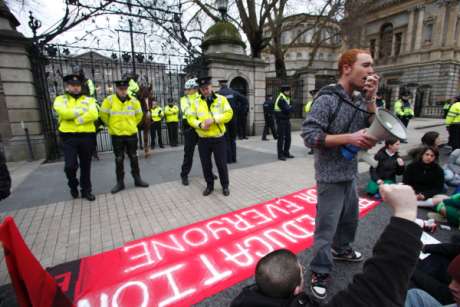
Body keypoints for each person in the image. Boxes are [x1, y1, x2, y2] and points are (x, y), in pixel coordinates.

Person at [231, 184, 424, 307]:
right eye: (301, 271)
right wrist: (406, 214)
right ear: (298, 290)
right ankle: (323, 269)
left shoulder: (241, 300)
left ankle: (342, 250)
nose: (302, 269)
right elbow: (375, 293)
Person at [301, 48, 379, 299]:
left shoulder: (359, 99)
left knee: (350, 218)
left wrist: (371, 98)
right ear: (347, 68)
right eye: (365, 65)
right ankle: (320, 270)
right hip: (329, 176)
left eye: (372, 66)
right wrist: (350, 138)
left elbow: (374, 126)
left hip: (349, 171)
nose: (371, 71)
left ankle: (342, 249)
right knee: (326, 226)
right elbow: (309, 136)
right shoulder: (326, 99)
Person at [53, 74, 98, 201]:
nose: (76, 88)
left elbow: (94, 114)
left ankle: (86, 191)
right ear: (67, 87)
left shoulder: (89, 100)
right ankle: (73, 185)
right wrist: (81, 111)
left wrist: (78, 119)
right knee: (70, 166)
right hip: (68, 137)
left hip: (86, 136)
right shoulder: (60, 99)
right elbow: (64, 113)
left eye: (78, 85)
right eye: (73, 85)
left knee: (86, 165)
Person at [100, 79, 149, 194]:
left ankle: (137, 179)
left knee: (134, 157)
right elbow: (103, 114)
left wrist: (132, 124)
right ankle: (120, 183)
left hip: (131, 133)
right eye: (120, 89)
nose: (123, 91)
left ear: (127, 89)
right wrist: (110, 125)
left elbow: (139, 115)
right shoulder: (109, 100)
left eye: (125, 89)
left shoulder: (133, 101)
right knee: (119, 158)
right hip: (117, 135)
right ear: (116, 89)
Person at [187, 76, 233, 196]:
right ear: (200, 90)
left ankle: (225, 186)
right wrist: (200, 124)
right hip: (203, 139)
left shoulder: (221, 99)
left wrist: (215, 119)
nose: (205, 91)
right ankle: (209, 186)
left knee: (221, 164)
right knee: (206, 164)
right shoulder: (195, 102)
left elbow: (229, 114)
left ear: (211, 87)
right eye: (202, 89)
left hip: (218, 138)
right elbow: (190, 118)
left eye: (207, 88)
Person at [180, 78, 200, 186]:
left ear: (194, 89)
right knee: (188, 152)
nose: (186, 91)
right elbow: (187, 112)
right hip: (189, 127)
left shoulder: (201, 97)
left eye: (188, 89)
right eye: (185, 89)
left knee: (205, 152)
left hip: (200, 125)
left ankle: (209, 172)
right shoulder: (184, 99)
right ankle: (184, 174)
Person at [218, 79, 242, 163]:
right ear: (226, 84)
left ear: (220, 84)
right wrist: (237, 110)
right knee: (233, 139)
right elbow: (244, 100)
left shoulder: (218, 94)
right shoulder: (234, 92)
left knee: (226, 139)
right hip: (233, 119)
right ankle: (234, 158)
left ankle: (228, 159)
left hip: (223, 120)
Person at [275, 84, 295, 161]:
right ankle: (280, 155)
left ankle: (286, 152)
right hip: (281, 121)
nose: (290, 92)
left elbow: (291, 109)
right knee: (281, 138)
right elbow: (288, 110)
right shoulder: (281, 98)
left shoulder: (287, 98)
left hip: (286, 120)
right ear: (284, 91)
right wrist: (290, 108)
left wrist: (290, 108)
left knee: (288, 138)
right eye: (288, 91)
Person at [304, 89, 319, 155]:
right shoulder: (311, 102)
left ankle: (315, 149)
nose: (313, 96)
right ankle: (312, 149)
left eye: (314, 94)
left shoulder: (319, 101)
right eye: (313, 95)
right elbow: (307, 109)